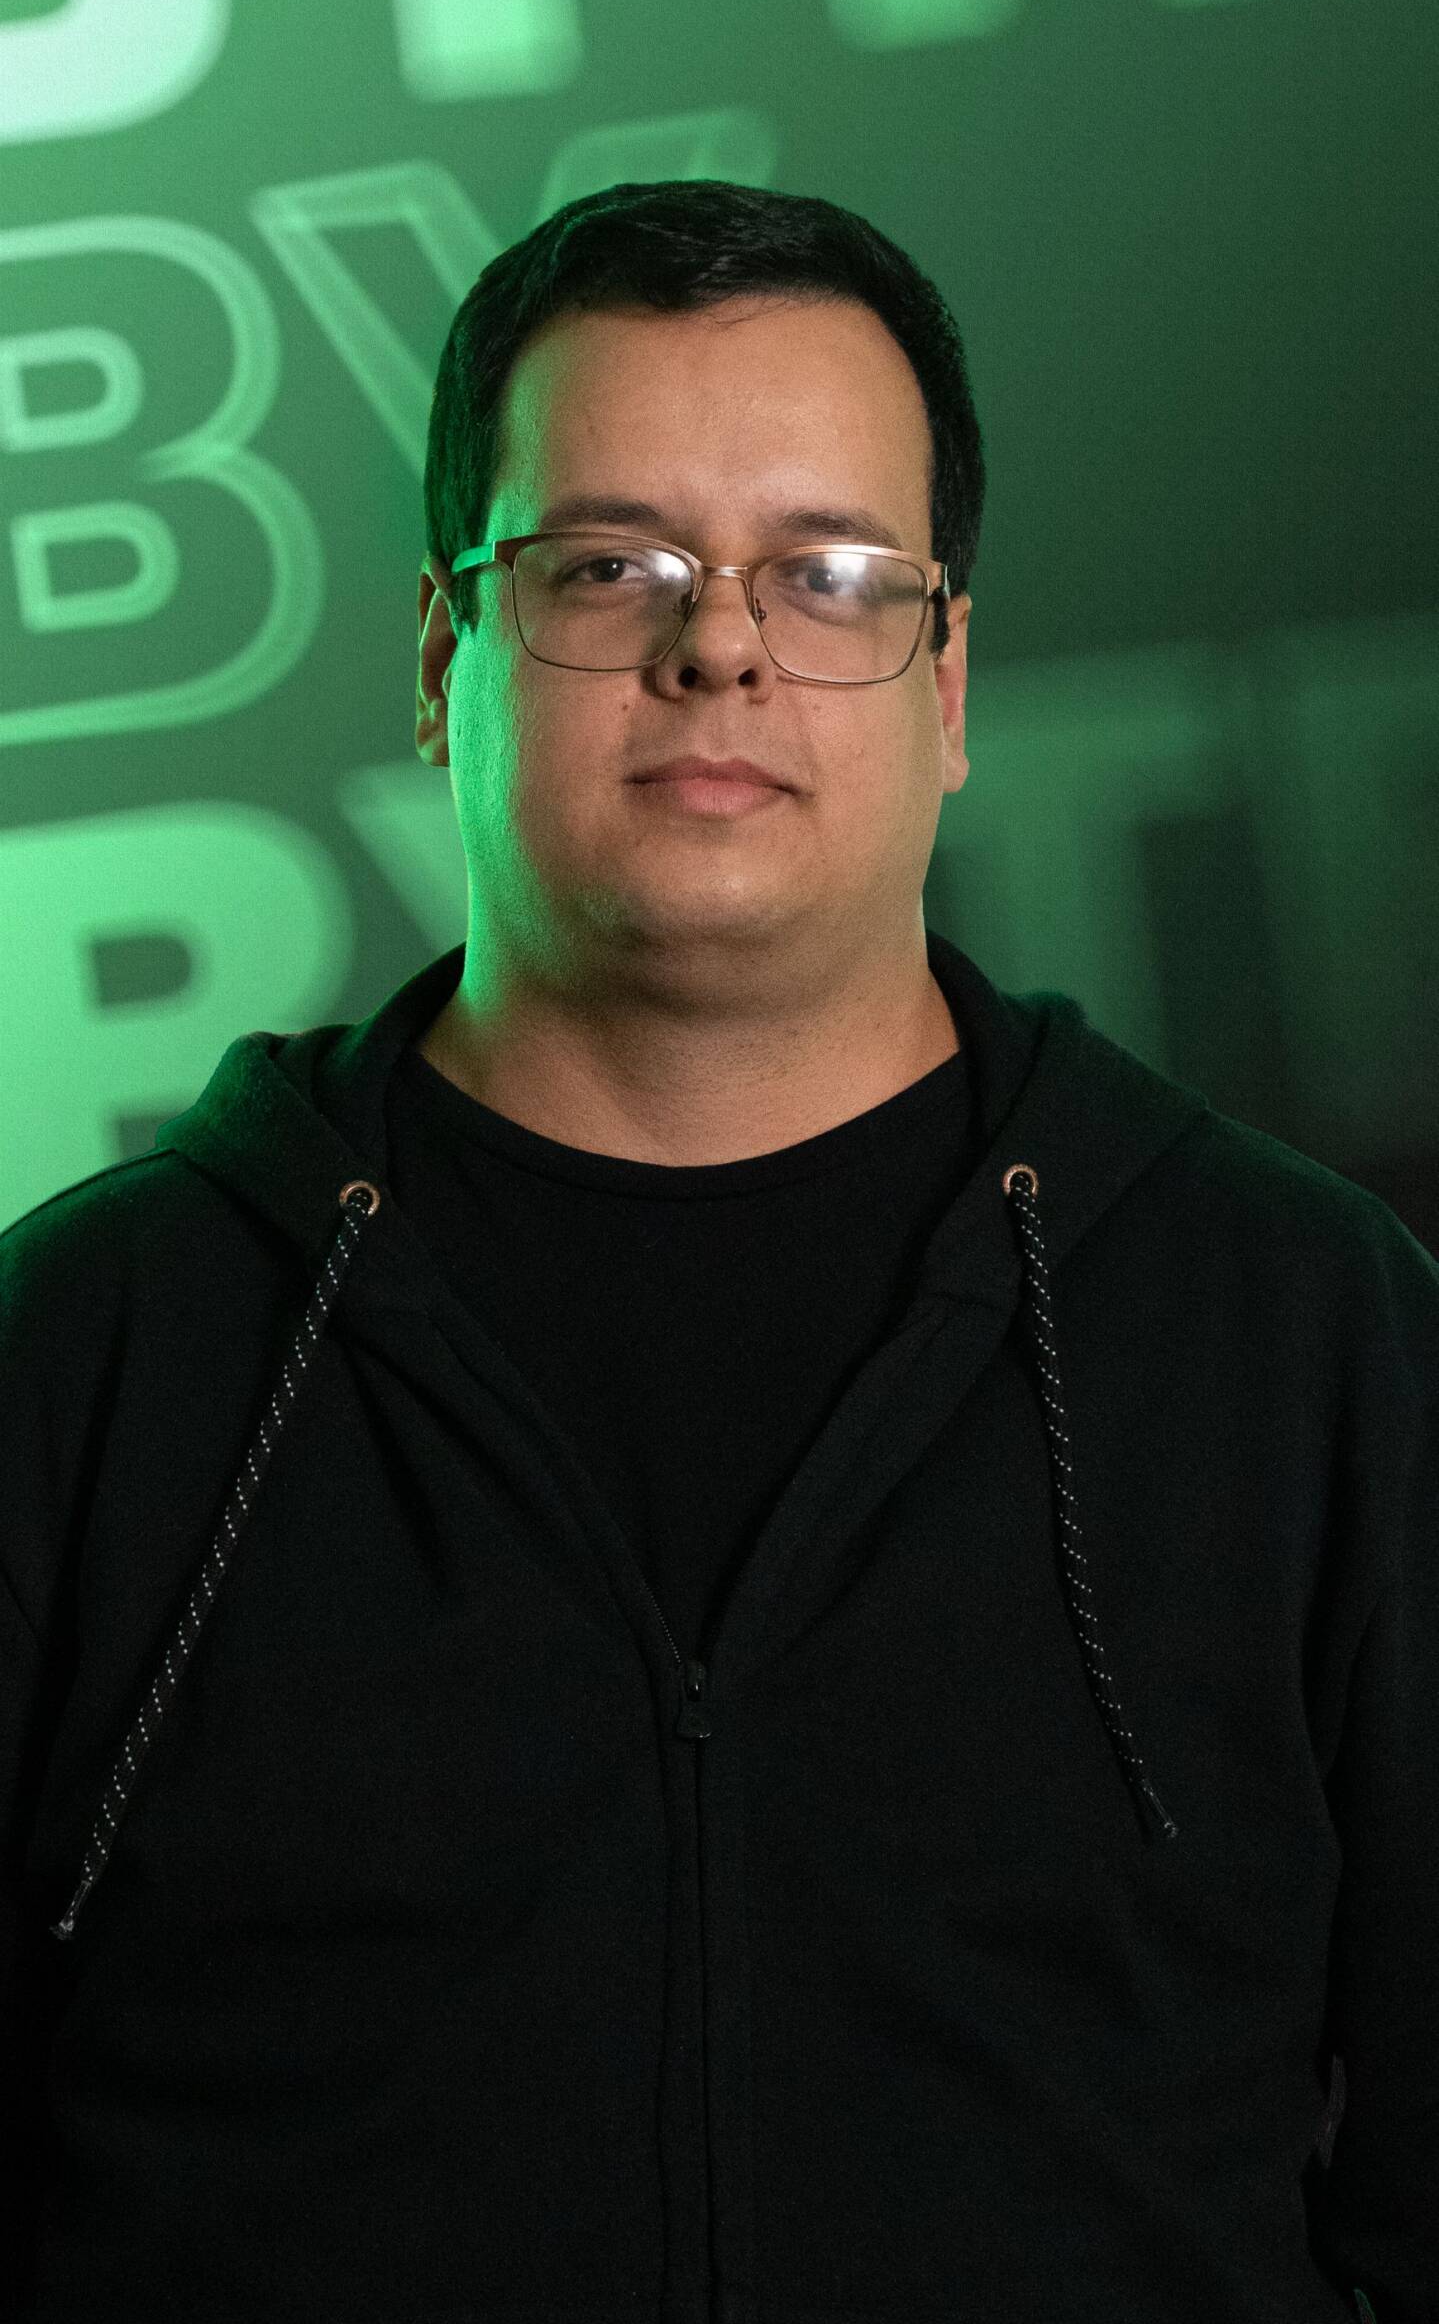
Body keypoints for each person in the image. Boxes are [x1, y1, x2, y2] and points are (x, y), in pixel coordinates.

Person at [0, 178, 1431, 2324]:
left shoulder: (1307, 1332)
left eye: (829, 573)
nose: (722, 646)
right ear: (442, 660)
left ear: (949, 680)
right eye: (609, 567)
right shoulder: (85, 1354)